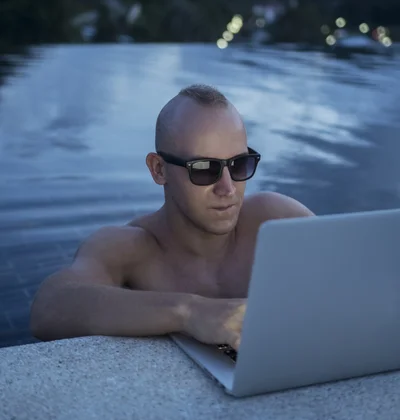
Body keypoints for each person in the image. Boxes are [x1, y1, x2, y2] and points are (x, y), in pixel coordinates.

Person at [31, 84, 314, 350]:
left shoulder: (273, 219)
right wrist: (189, 312)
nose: (227, 188)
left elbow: (353, 270)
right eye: (204, 169)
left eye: (239, 165)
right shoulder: (132, 248)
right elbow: (50, 306)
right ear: (159, 170)